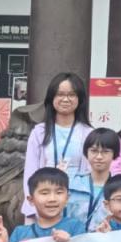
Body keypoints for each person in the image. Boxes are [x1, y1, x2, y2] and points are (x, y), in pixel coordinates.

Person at [22, 73, 92, 218]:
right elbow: (30, 171)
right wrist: (33, 208)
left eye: (71, 95)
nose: (65, 99)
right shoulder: (39, 132)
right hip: (44, 202)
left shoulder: (88, 133)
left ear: (80, 99)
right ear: (51, 98)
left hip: (78, 205)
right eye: (60, 94)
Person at [0, 168, 84, 242]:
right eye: (44, 193)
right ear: (31, 200)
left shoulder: (75, 227)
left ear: (67, 198)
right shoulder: (20, 233)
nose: (52, 199)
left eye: (59, 192)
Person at [68, 128, 119, 232]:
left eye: (105, 152)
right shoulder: (72, 184)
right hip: (73, 239)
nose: (99, 157)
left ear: (114, 154)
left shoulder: (119, 188)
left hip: (105, 240)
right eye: (94, 151)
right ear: (86, 152)